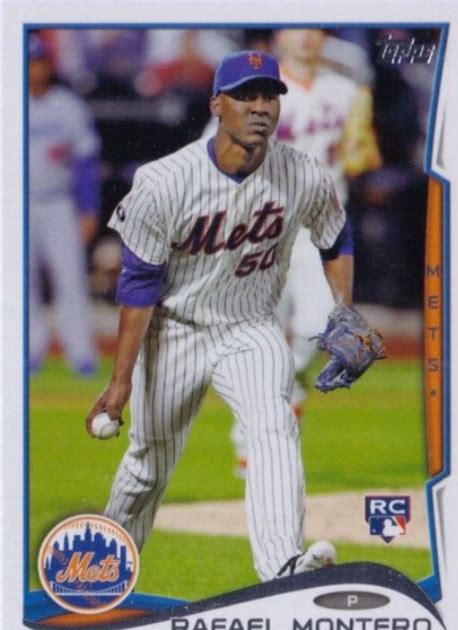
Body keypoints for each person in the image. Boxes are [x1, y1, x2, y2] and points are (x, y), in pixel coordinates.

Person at [86, 50, 353, 581]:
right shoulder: (165, 181)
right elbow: (138, 284)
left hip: (250, 326)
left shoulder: (302, 173)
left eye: (269, 96)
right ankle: (101, 570)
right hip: (174, 330)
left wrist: (342, 307)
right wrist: (119, 383)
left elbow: (335, 236)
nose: (260, 107)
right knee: (148, 465)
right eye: (245, 96)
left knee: (274, 426)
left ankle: (282, 568)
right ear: (216, 105)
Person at [229, 29, 381, 475]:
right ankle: (250, 443)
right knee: (260, 341)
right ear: (280, 36)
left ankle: (289, 395)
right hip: (262, 231)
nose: (307, 37)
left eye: (314, 27)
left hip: (322, 228)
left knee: (319, 328)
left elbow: (364, 156)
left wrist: (360, 151)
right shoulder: (250, 91)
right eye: (297, 27)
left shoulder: (346, 90)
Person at [29, 34, 100, 374]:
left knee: (70, 279)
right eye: (29, 62)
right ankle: (28, 350)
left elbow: (85, 160)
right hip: (15, 207)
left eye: (39, 61)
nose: (34, 68)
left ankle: (80, 354)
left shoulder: (67, 104)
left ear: (49, 64)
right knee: (19, 282)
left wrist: (88, 208)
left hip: (58, 202)